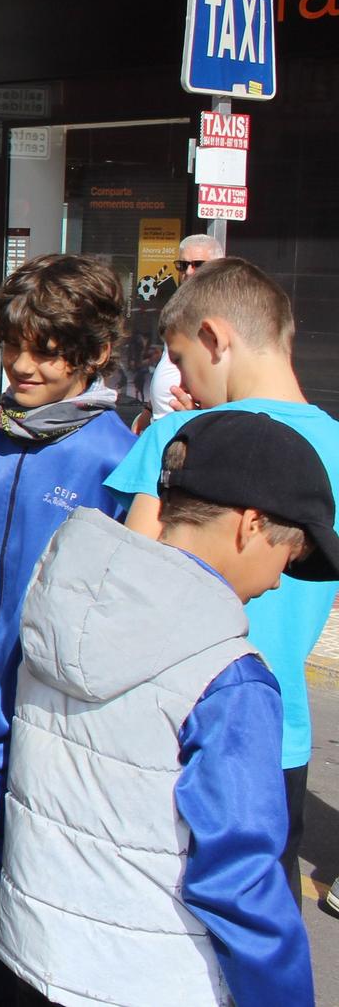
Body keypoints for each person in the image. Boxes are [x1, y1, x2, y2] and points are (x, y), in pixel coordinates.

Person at [0, 411, 326, 1007]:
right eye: (288, 554)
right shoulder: (230, 677)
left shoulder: (57, 597)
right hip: (153, 979)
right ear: (251, 525)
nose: (280, 581)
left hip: (37, 955)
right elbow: (241, 883)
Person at [0, 253, 134, 1006]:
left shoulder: (118, 459)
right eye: (12, 345)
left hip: (52, 717)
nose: (22, 363)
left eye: (46, 349)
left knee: (33, 881)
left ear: (96, 352)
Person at [104, 257, 339, 910]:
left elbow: (128, 574)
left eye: (179, 357)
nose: (179, 379)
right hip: (277, 732)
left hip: (168, 722)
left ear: (214, 338)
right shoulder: (338, 448)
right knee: (256, 913)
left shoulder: (181, 434)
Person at [142, 233, 224, 424]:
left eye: (198, 264)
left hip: (192, 432)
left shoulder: (223, 316)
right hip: (162, 427)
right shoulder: (180, 310)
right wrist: (149, 408)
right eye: (183, 265)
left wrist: (196, 418)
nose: (188, 272)